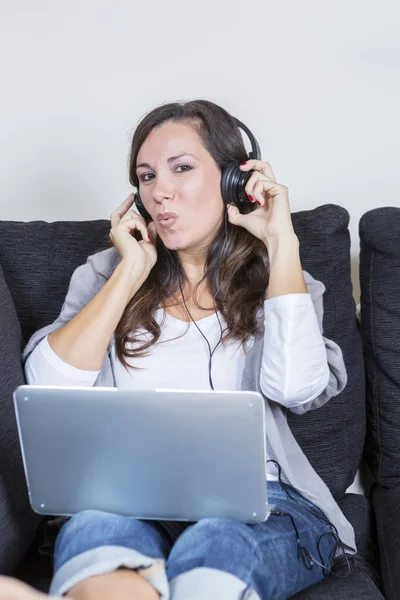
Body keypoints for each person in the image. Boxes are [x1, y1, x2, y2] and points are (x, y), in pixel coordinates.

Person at [1, 99, 356, 600]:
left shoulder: (284, 282)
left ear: (236, 180)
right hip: (123, 500)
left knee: (218, 543)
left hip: (265, 502)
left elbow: (297, 387)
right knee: (95, 536)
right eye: (146, 177)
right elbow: (47, 387)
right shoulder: (104, 275)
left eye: (182, 169)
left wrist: (283, 243)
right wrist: (128, 272)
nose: (160, 192)